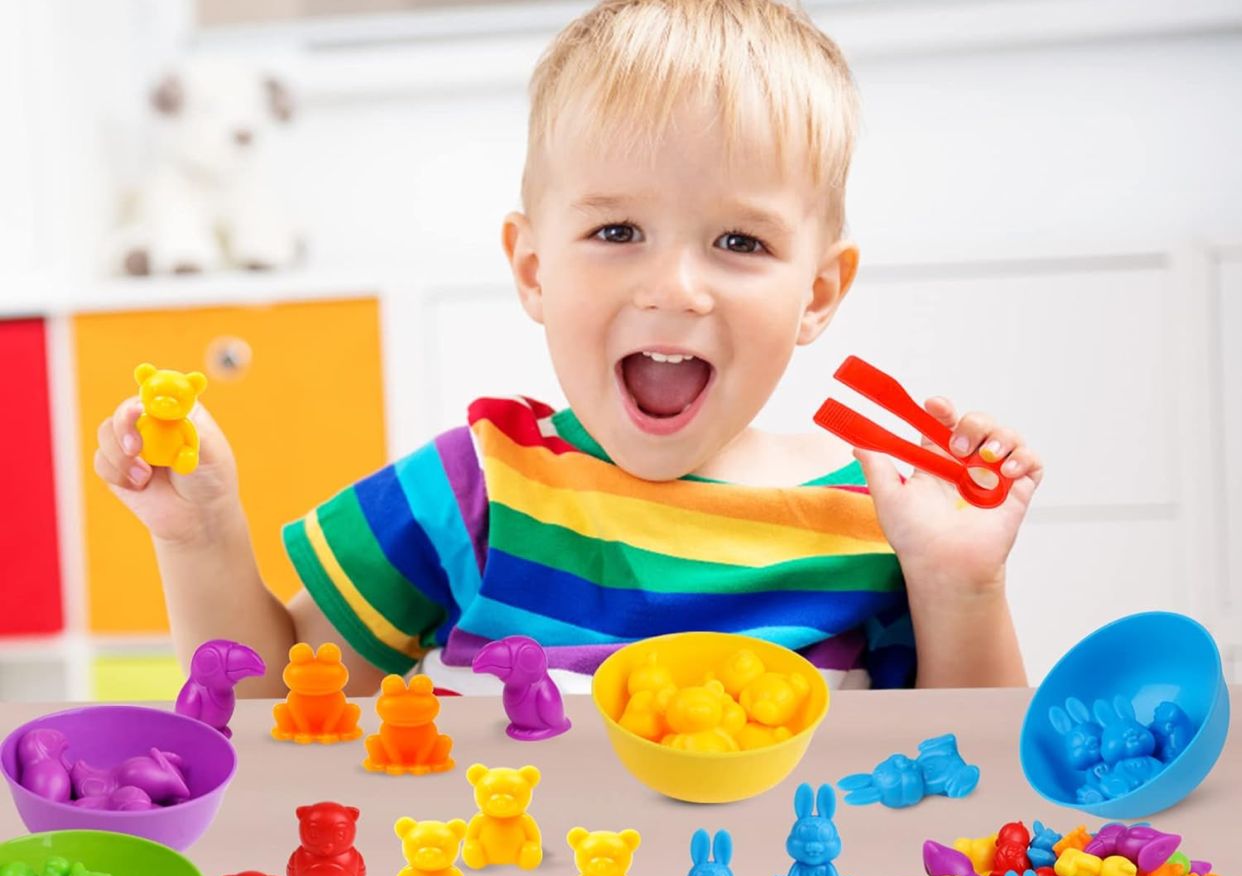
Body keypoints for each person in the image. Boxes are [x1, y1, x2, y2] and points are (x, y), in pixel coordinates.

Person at [94, 0, 1042, 697]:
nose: (675, 286)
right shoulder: (477, 490)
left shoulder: (867, 522)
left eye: (740, 242)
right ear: (535, 269)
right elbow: (263, 706)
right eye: (619, 231)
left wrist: (962, 584)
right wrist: (201, 534)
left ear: (819, 292)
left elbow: (972, 782)